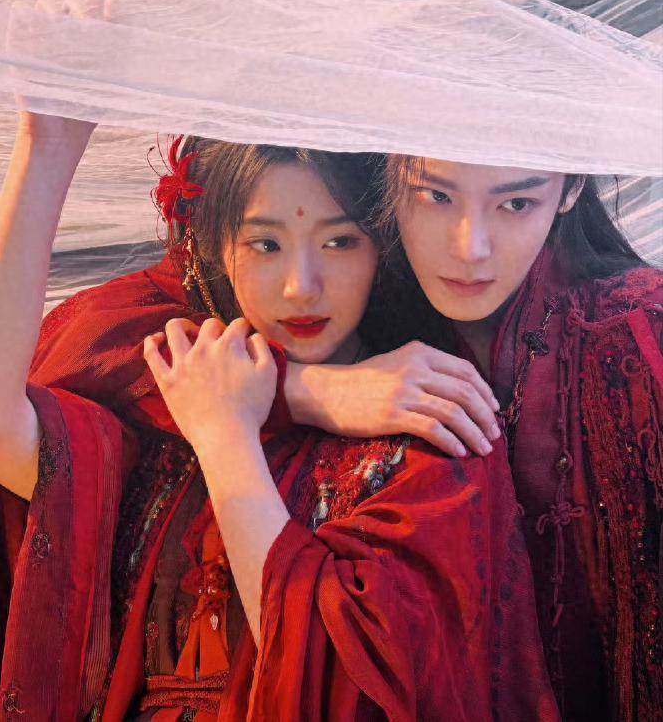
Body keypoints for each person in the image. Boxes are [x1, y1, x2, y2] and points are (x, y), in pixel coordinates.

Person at [0, 114, 558, 721]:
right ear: (215, 249)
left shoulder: (430, 430)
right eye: (265, 245)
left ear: (381, 248)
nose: (301, 288)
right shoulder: (164, 417)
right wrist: (44, 148)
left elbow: (340, 682)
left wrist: (226, 437)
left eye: (340, 242)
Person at [280, 156, 663, 722]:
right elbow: (135, 334)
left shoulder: (639, 332)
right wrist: (309, 389)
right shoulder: (347, 282)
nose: (470, 249)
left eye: (516, 203)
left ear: (571, 187)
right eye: (436, 197)